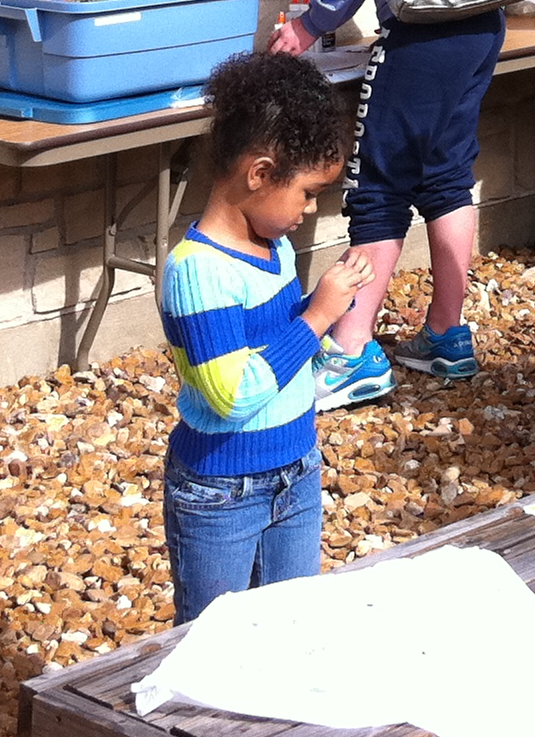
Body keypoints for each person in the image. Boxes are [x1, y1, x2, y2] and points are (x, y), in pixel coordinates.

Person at [274, 0, 519, 403]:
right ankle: (446, 334)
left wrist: (312, 22)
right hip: (483, 28)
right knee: (444, 173)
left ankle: (351, 353)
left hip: (423, 34)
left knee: (378, 184)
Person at [160, 53, 376, 623]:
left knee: (289, 628)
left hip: (298, 469)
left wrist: (324, 311)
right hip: (221, 492)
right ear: (258, 174)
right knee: (211, 643)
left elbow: (275, 342)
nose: (309, 210)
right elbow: (231, 394)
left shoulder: (273, 246)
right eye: (306, 193)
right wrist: (318, 317)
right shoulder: (197, 272)